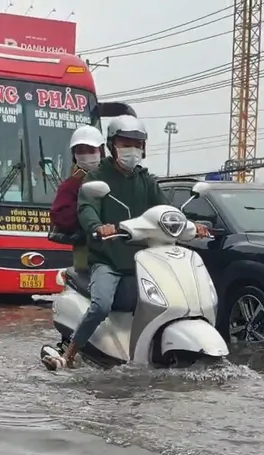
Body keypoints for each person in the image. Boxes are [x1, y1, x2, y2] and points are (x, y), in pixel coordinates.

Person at [46, 115, 211, 370]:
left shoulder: (145, 180)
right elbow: (87, 207)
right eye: (125, 143)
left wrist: (189, 224)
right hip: (108, 259)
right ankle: (70, 353)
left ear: (143, 148)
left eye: (137, 144)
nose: (131, 149)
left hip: (143, 259)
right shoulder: (97, 178)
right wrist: (98, 227)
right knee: (101, 305)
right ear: (112, 145)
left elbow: (166, 210)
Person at [49, 125, 106, 272]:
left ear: (101, 151)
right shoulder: (71, 184)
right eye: (81, 151)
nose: (86, 155)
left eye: (91, 150)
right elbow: (59, 216)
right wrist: (85, 208)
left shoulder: (113, 179)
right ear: (74, 155)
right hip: (86, 252)